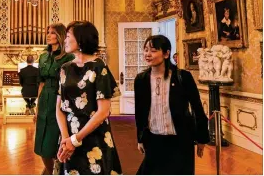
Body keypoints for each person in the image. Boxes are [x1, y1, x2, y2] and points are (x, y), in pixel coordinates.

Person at [134, 35, 209, 175]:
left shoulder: (183, 77)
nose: (147, 54)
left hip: (180, 140)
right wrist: (140, 138)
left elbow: (197, 108)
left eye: (153, 50)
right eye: (145, 50)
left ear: (166, 53)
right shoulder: (141, 79)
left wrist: (201, 138)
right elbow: (140, 111)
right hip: (154, 139)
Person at [56, 21, 122, 175]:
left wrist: (75, 140)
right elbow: (59, 108)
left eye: (67, 36)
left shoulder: (98, 67)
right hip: (68, 135)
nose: (64, 40)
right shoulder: (65, 68)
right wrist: (66, 139)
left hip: (93, 136)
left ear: (80, 39)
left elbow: (103, 112)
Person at [34, 23, 74, 174]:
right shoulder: (43, 56)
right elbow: (41, 82)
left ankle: (54, 171)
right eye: (47, 32)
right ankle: (51, 171)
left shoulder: (68, 57)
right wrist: (37, 108)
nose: (48, 35)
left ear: (60, 36)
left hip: (59, 99)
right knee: (41, 145)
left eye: (52, 33)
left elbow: (69, 83)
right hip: (45, 98)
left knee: (52, 143)